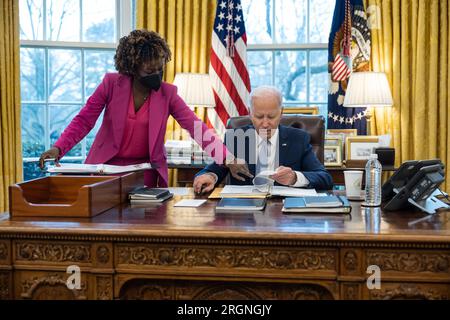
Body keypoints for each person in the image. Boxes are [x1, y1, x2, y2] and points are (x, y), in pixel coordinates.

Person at [39, 29, 251, 187]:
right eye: (150, 70)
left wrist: (227, 158)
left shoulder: (168, 94)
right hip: (105, 170)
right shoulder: (111, 84)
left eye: (160, 68)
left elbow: (197, 128)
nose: (157, 75)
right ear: (132, 67)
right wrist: (59, 148)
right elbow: (84, 120)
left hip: (145, 174)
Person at [193, 86, 333, 194]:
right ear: (250, 113)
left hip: (285, 214)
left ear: (281, 112)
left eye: (271, 117)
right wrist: (210, 176)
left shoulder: (298, 139)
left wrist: (295, 178)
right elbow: (213, 170)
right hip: (243, 214)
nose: (265, 124)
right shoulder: (236, 137)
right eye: (259, 117)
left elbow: (325, 178)